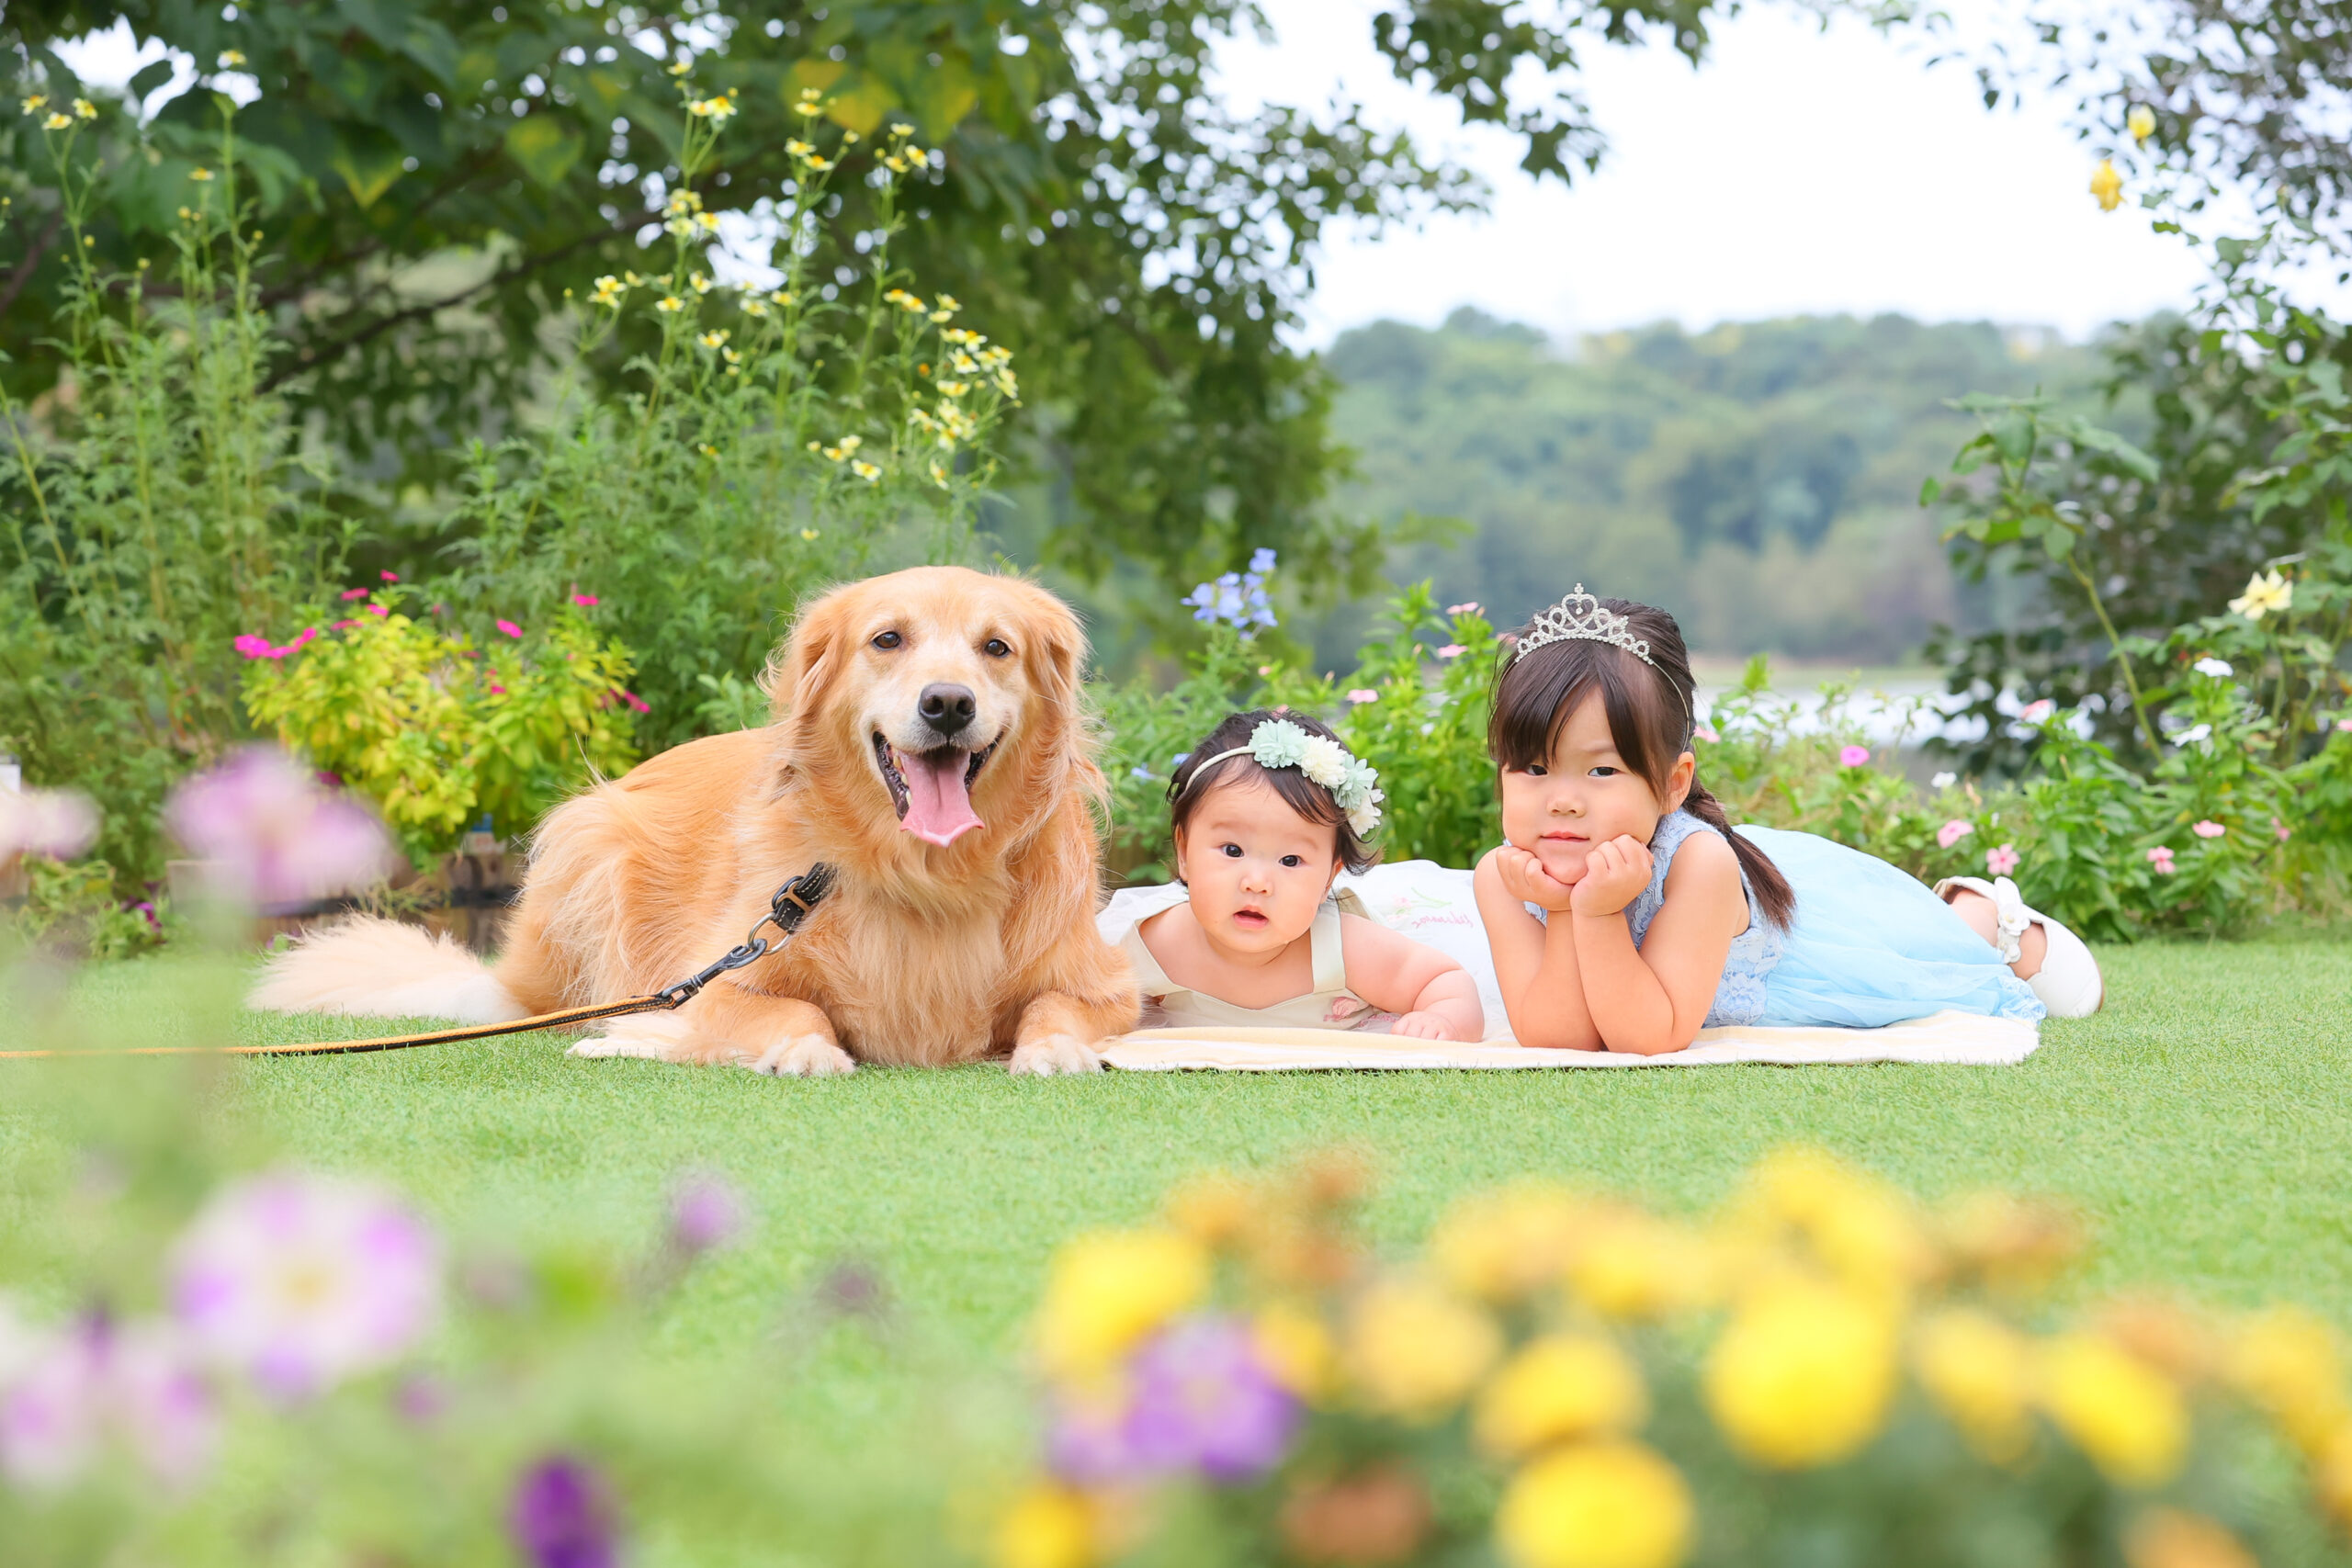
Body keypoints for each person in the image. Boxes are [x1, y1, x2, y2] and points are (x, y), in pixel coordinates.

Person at [1470, 588, 2102, 1055]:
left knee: (1925, 956)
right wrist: (1562, 910)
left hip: (1801, 966)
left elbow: (1650, 1035)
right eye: (1534, 768)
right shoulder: (1504, 876)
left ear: (1672, 784)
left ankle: (1981, 917)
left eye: (1602, 770)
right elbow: (1559, 1038)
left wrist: (1599, 913)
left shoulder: (1696, 863)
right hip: (1665, 941)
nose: (1563, 800)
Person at [1109, 710, 1484, 1040]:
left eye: (1290, 860)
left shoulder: (1347, 948)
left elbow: (1445, 982)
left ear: (1328, 879)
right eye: (1233, 851)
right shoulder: (1157, 945)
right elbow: (1087, 998)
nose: (1257, 883)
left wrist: (1441, 1019)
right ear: (1184, 852)